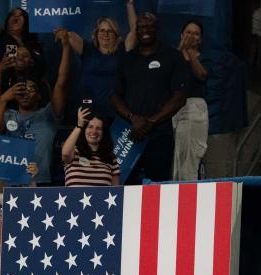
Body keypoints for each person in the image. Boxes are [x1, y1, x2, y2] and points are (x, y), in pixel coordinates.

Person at [111, 12, 187, 183]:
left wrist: (151, 122)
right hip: (130, 134)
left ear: (157, 29)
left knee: (157, 187)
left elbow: (179, 97)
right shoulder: (126, 59)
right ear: (136, 31)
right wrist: (132, 118)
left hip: (159, 135)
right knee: (124, 187)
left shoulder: (172, 56)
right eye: (140, 27)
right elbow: (115, 96)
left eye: (149, 26)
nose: (144, 30)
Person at [0, 29, 71, 186]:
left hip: (41, 182)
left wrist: (66, 46)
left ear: (40, 95)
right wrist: (4, 98)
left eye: (31, 89)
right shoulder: (8, 115)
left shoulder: (48, 115)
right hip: (12, 182)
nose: (25, 92)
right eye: (21, 89)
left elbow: (61, 82)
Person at [66, 6, 138, 117]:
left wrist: (129, 4)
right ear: (96, 33)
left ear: (116, 34)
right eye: (102, 30)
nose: (105, 34)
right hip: (88, 110)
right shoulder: (86, 49)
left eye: (110, 31)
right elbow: (68, 33)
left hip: (116, 111)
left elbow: (135, 30)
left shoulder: (123, 50)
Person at [172, 19, 209, 181]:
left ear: (200, 39)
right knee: (176, 158)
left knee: (190, 159)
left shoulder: (205, 56)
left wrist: (191, 53)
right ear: (181, 35)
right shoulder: (173, 55)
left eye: (196, 34)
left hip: (193, 108)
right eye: (188, 32)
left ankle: (189, 199)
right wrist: (181, 49)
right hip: (173, 109)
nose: (191, 36)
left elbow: (202, 75)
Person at [61, 106, 121, 186]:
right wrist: (79, 125)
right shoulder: (74, 151)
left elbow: (115, 191)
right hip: (73, 198)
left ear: (104, 133)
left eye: (99, 128)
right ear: (84, 130)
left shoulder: (110, 158)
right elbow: (65, 153)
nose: (94, 131)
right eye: (90, 127)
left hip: (101, 199)